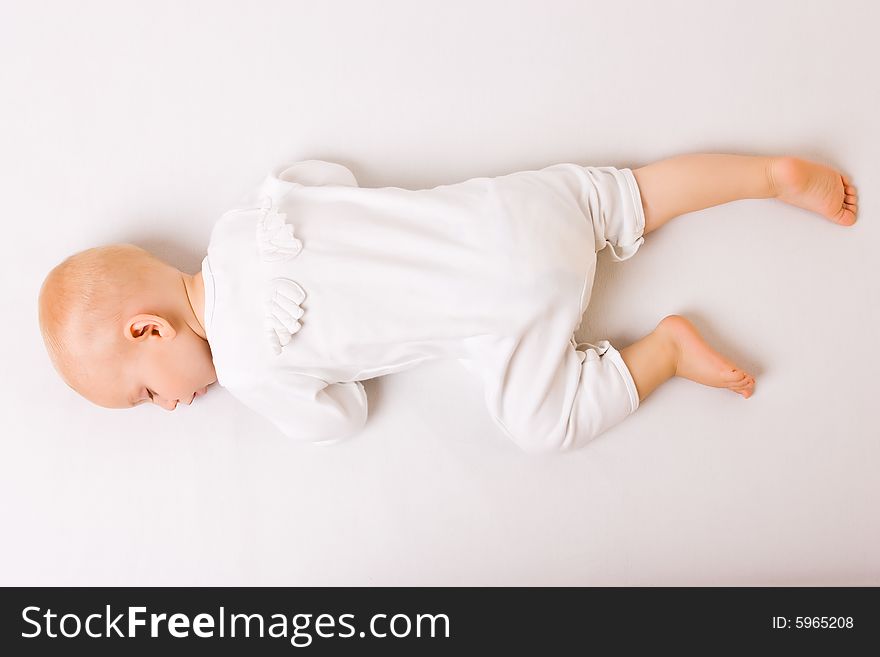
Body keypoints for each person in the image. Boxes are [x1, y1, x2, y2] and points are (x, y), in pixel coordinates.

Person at [37, 154, 858, 453]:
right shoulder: (241, 221)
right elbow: (329, 176)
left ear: (148, 328)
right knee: (630, 193)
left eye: (147, 392)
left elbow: (343, 418)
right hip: (514, 209)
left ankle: (668, 350)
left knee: (540, 424)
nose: (170, 404)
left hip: (508, 313)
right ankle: (768, 176)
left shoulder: (252, 371)